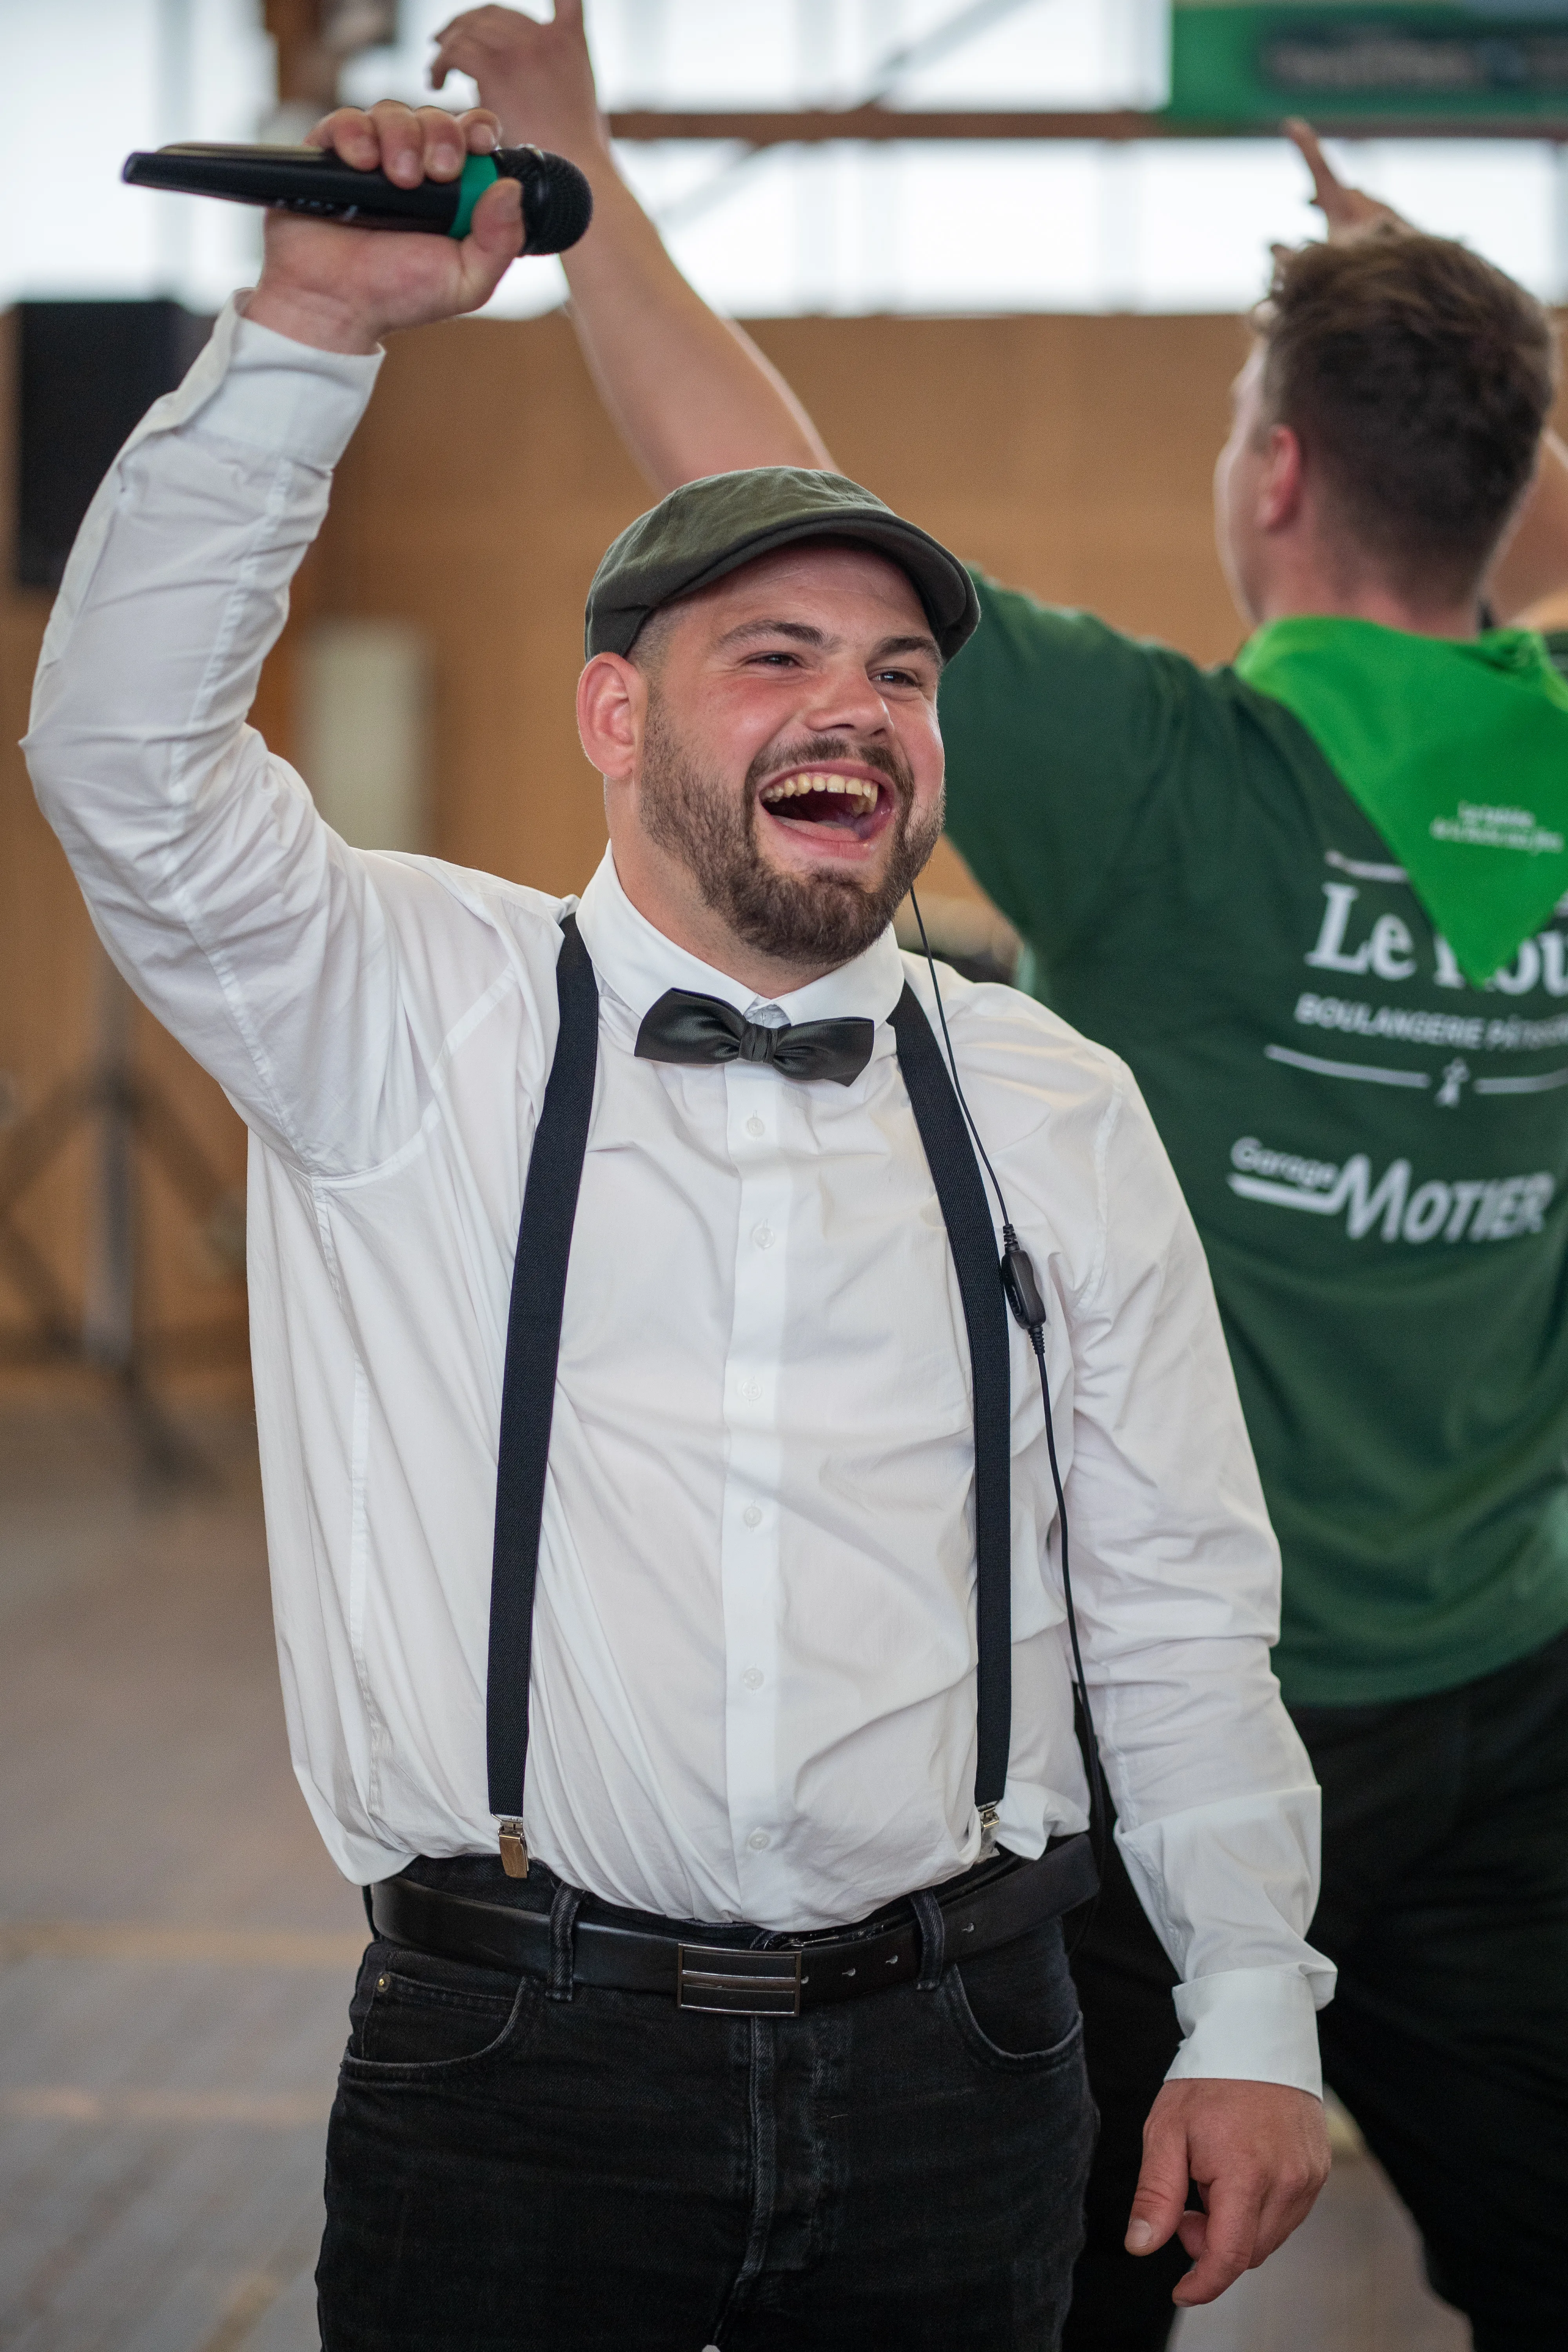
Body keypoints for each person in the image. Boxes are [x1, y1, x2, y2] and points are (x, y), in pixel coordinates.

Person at [24, 97, 1333, 2352]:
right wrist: (317, 339)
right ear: (615, 714)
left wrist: (1247, 2004)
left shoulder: (1053, 1103)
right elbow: (129, 762)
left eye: (901, 676)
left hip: (971, 2063)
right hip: (513, 2067)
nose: (857, 709)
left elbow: (1185, 1607)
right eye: (778, 657)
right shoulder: (397, 1015)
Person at [429, 9, 1568, 2348]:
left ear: (1272, 480)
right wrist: (1425, 316)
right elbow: (1496, 503)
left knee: (1056, 2302)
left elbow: (770, 487)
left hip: (1178, 1730)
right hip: (1521, 1702)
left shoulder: (1174, 781)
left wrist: (583, 182)